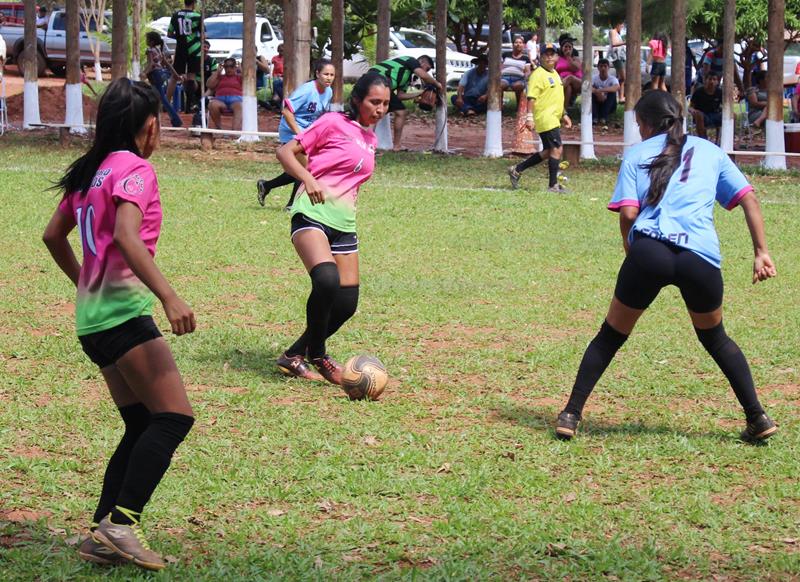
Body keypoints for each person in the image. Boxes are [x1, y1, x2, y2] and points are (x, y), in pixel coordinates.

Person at [554, 90, 778, 443]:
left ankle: (570, 414)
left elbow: (629, 214)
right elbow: (747, 197)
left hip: (650, 252)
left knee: (610, 336)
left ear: (643, 124)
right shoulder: (710, 151)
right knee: (716, 339)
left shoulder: (637, 155)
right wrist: (761, 251)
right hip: (699, 258)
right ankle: (758, 417)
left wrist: (634, 252)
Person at [42, 78, 196, 570]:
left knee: (141, 423)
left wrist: (87, 284)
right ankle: (121, 523)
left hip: (92, 321)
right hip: (123, 315)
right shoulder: (134, 169)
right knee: (174, 418)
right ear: (149, 124)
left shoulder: (91, 171)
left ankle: (98, 535)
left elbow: (52, 236)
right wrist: (169, 296)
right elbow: (128, 238)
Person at [274, 71, 391, 383]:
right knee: (326, 280)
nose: (379, 109)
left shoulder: (371, 138)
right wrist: (307, 178)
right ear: (357, 100)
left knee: (346, 303)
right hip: (311, 214)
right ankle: (319, 355)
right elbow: (285, 152)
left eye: (385, 104)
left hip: (344, 224)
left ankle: (293, 355)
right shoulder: (332, 122)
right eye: (374, 102)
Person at [256, 59, 335, 208]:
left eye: (332, 75)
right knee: (306, 168)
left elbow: (320, 115)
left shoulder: (328, 91)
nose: (329, 77)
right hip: (291, 132)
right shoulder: (306, 91)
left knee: (299, 169)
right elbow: (286, 111)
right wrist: (300, 134)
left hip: (307, 133)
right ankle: (292, 204)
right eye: (326, 74)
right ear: (317, 74)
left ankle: (266, 186)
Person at [507, 42, 572, 193]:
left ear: (556, 57)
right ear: (541, 57)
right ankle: (553, 185)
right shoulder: (538, 75)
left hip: (554, 118)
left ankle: (516, 169)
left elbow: (556, 98)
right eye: (546, 54)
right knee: (557, 148)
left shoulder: (555, 74)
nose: (549, 57)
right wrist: (529, 117)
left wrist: (564, 114)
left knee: (549, 151)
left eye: (552, 54)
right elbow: (531, 98)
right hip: (545, 118)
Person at [369, 54, 442, 150]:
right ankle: (396, 145)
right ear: (421, 62)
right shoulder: (411, 60)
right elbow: (422, 74)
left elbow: (400, 95)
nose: (426, 72)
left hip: (374, 82)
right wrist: (437, 84)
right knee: (400, 112)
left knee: (377, 113)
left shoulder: (406, 76)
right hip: (379, 79)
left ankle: (367, 144)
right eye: (426, 69)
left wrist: (419, 94)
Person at [167, 0, 202, 113]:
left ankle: (166, 104)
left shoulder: (176, 15)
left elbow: (169, 33)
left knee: (174, 76)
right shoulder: (197, 16)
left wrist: (180, 36)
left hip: (181, 48)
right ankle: (188, 107)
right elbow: (203, 35)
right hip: (194, 49)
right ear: (194, 3)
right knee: (191, 76)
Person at [143, 31, 183, 128]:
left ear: (151, 42)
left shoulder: (150, 50)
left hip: (154, 75)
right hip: (160, 75)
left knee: (162, 99)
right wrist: (176, 74)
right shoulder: (158, 50)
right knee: (158, 97)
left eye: (147, 39)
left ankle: (176, 120)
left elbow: (151, 64)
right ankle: (153, 117)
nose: (146, 41)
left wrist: (143, 73)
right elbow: (166, 64)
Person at [207, 57, 243, 130]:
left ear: (235, 67)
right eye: (226, 66)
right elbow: (209, 85)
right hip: (220, 101)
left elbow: (247, 80)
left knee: (240, 106)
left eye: (231, 66)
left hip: (236, 101)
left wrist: (241, 70)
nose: (228, 69)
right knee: (212, 105)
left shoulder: (239, 77)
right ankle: (219, 128)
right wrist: (217, 72)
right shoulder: (220, 77)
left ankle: (234, 131)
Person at [689, 70, 722, 139]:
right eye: (710, 79)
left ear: (717, 82)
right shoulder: (698, 92)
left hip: (715, 114)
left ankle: (722, 141)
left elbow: (724, 105)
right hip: (702, 115)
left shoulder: (719, 92)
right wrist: (693, 111)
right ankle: (704, 140)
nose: (712, 82)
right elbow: (691, 107)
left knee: (732, 115)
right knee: (699, 115)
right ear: (705, 80)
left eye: (714, 79)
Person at [500, 36, 531, 107]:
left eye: (520, 43)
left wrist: (526, 76)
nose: (518, 44)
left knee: (518, 86)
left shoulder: (525, 58)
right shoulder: (505, 55)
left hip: (519, 79)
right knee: (500, 85)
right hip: (505, 78)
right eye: (516, 42)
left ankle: (519, 107)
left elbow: (527, 70)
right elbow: (500, 67)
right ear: (513, 44)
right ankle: (499, 106)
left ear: (523, 45)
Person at [556, 33, 582, 109]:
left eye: (570, 47)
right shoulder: (557, 56)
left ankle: (554, 91)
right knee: (568, 88)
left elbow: (576, 68)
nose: (568, 48)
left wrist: (568, 57)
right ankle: (564, 111)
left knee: (570, 77)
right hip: (564, 81)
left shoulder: (575, 55)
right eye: (565, 46)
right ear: (561, 47)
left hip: (577, 80)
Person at [591, 58, 619, 127]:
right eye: (601, 66)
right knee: (591, 94)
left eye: (605, 66)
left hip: (609, 105)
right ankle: (595, 118)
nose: (603, 68)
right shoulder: (594, 78)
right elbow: (589, 87)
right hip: (597, 103)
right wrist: (597, 93)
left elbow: (616, 87)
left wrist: (601, 91)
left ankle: (604, 117)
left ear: (608, 68)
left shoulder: (612, 79)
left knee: (612, 93)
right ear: (598, 68)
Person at [608, 22, 626, 103]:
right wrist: (626, 42)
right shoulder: (612, 31)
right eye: (621, 24)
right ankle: (614, 93)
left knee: (621, 78)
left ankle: (621, 97)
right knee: (623, 77)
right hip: (616, 57)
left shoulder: (618, 34)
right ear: (617, 24)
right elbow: (614, 44)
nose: (622, 26)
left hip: (621, 57)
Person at [270, 43, 285, 108]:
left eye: (282, 50)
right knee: (276, 81)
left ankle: (278, 98)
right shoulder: (275, 58)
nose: (281, 52)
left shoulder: (287, 59)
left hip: (284, 77)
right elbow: (271, 66)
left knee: (276, 83)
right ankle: (281, 100)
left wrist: (282, 76)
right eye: (280, 50)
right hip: (276, 76)